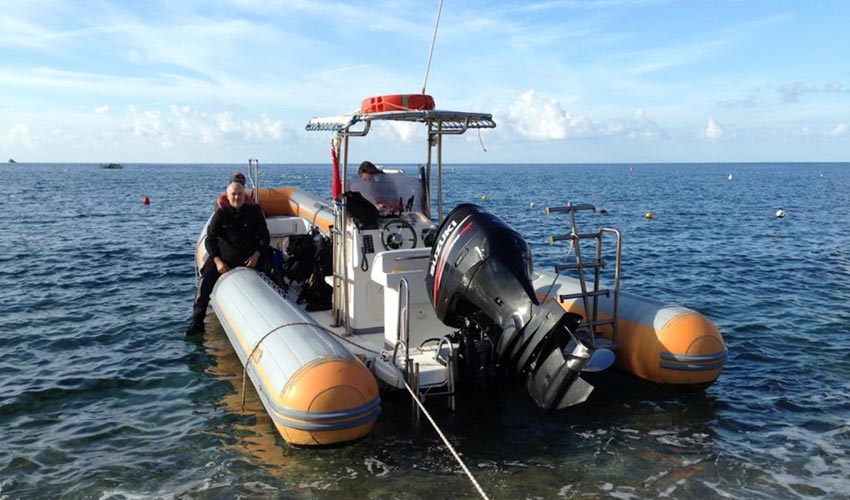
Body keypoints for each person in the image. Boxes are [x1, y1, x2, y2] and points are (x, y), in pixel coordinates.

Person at [186, 180, 271, 335]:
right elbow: (210, 240)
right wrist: (217, 261)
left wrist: (257, 255)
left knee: (272, 274)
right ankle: (197, 320)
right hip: (224, 259)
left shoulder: (254, 212)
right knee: (205, 281)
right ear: (227, 196)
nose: (237, 197)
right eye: (233, 194)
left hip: (250, 258)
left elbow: (265, 237)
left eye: (239, 194)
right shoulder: (221, 214)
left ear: (244, 195)